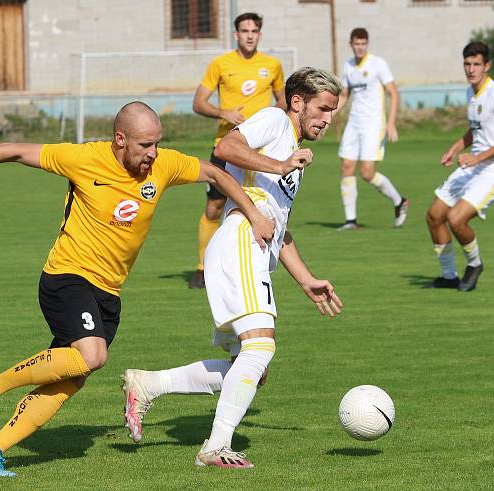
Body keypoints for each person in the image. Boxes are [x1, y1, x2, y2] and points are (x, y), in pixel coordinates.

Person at [0, 102, 277, 478]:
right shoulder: (83, 158)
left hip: (108, 293)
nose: (152, 153)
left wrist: (254, 213)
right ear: (120, 139)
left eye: (157, 144)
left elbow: (215, 171)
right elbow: (14, 150)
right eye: (145, 145)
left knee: (69, 379)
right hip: (67, 277)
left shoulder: (164, 164)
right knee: (93, 355)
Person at [121, 68, 344, 468]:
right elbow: (226, 147)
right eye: (324, 108)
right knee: (260, 347)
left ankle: (149, 384)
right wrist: (280, 164)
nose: (327, 119)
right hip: (241, 238)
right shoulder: (276, 120)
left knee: (252, 368)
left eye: (333, 111)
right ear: (297, 102)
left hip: (253, 245)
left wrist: (306, 279)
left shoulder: (289, 145)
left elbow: (279, 227)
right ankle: (215, 447)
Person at [188, 12, 286, 289]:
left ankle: (253, 267)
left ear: (260, 34)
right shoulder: (220, 64)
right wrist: (224, 113)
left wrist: (269, 117)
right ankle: (202, 267)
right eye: (245, 31)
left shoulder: (273, 65)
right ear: (236, 34)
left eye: (254, 30)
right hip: (225, 148)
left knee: (263, 206)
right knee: (214, 207)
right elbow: (198, 103)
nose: (250, 35)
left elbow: (283, 101)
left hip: (260, 152)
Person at [426, 41, 494, 292]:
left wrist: (477, 158)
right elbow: (476, 129)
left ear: (487, 66)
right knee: (435, 215)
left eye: (476, 64)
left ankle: (475, 264)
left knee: (456, 219)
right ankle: (449, 276)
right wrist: (456, 147)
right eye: (467, 64)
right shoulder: (471, 92)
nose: (471, 69)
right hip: (473, 164)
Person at [336, 28, 408, 230]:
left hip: (374, 124)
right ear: (351, 44)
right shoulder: (348, 66)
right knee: (347, 167)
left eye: (363, 43)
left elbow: (393, 93)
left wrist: (391, 122)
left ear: (367, 44)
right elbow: (344, 96)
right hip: (354, 123)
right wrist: (328, 116)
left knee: (367, 173)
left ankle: (399, 201)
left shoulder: (378, 64)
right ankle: (351, 221)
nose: (359, 47)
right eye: (356, 43)